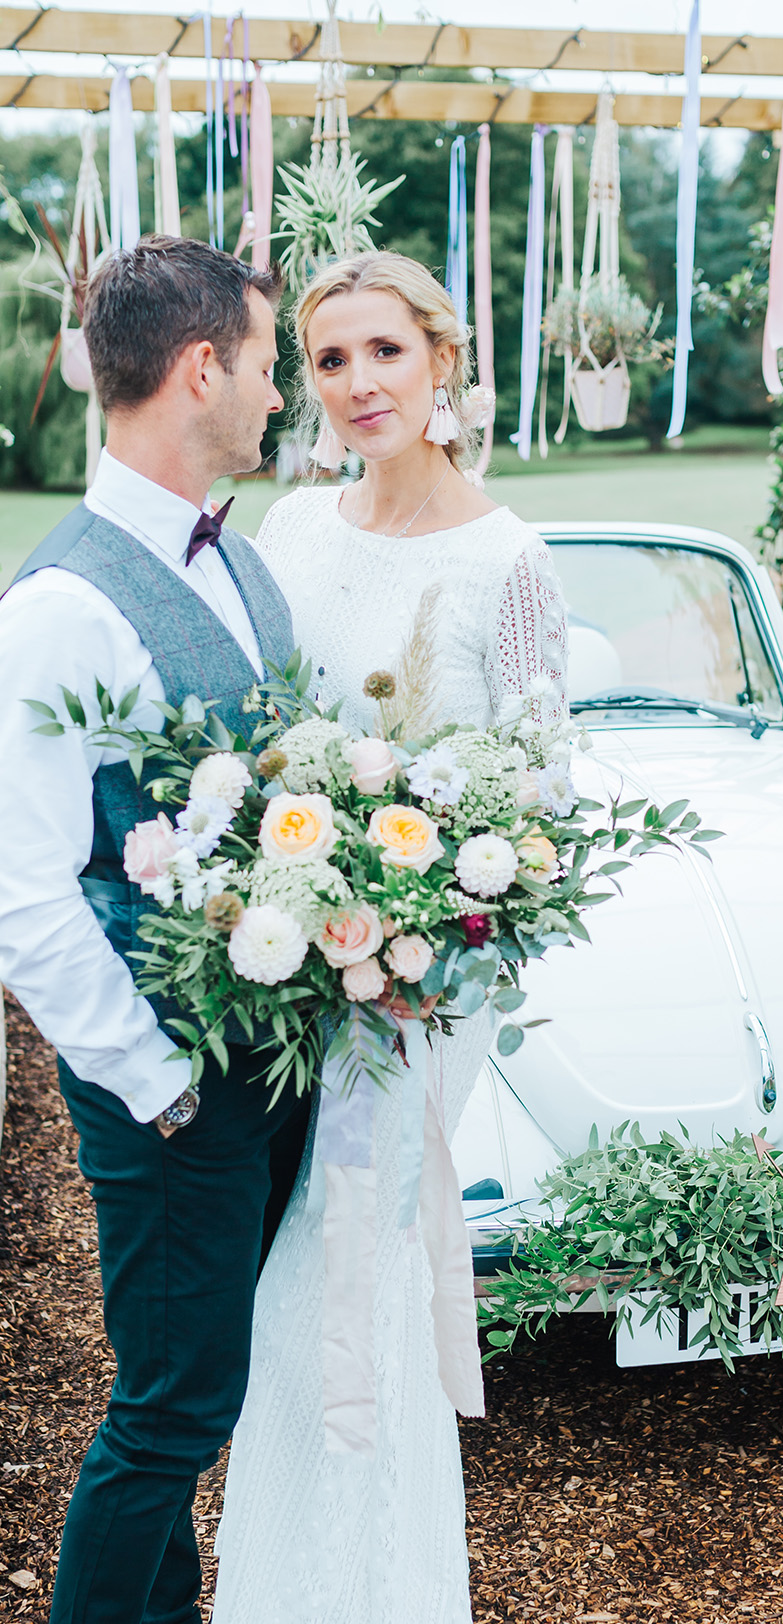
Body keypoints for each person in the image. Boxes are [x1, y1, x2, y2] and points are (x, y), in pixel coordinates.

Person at [212, 251, 568, 1624]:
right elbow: (244, 745)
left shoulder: (508, 559)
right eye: (329, 360)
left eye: (384, 353)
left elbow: (545, 816)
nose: (358, 384)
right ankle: (291, 1577)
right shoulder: (292, 533)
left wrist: (421, 955)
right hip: (279, 974)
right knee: (282, 1277)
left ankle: (375, 1590)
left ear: (442, 364)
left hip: (419, 998)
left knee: (350, 1259)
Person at [0, 236, 312, 1624]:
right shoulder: (57, 612)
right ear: (201, 368)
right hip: (174, 1089)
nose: (277, 395)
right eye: (265, 364)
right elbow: (21, 896)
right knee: (167, 1416)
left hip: (271, 1063)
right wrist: (165, 1087)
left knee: (200, 1395)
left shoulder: (237, 571)